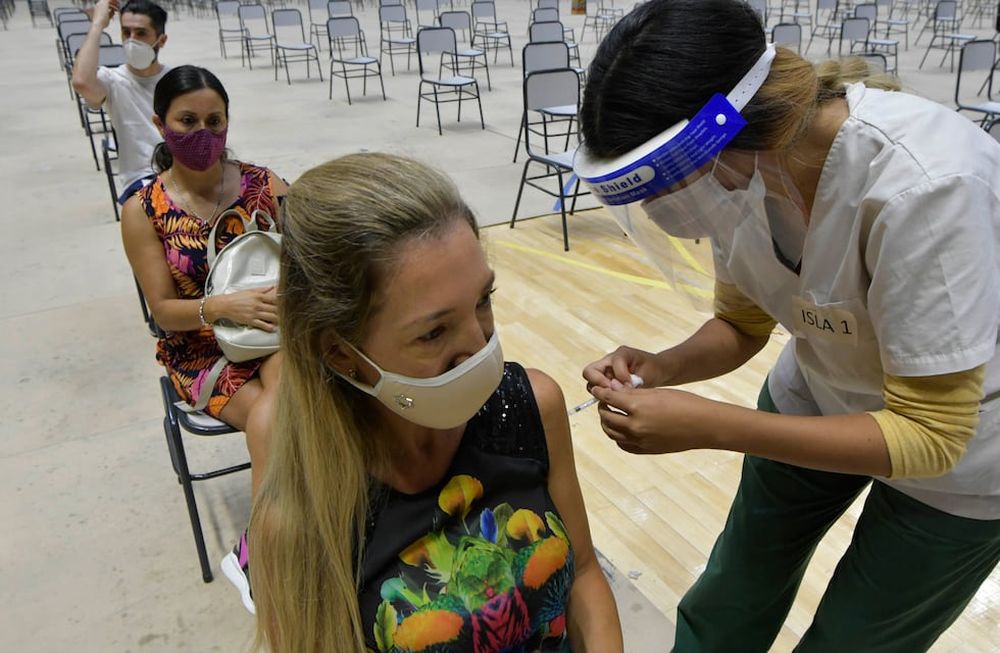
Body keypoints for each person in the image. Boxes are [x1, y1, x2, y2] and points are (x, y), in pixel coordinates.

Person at [573, 0, 1000, 651]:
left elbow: (930, 434)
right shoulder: (741, 169)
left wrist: (709, 424)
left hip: (962, 450)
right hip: (823, 386)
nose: (667, 213)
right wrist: (666, 365)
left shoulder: (926, 188)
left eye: (669, 191)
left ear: (724, 135)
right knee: (732, 589)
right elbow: (742, 322)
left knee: (855, 637)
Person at [248, 153, 623, 652]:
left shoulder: (532, 407)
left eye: (483, 301)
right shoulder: (300, 516)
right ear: (342, 352)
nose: (481, 346)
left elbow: (584, 574)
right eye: (434, 332)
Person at [120, 65, 285, 608]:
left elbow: (320, 234)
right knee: (275, 416)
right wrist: (221, 306)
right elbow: (165, 311)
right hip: (198, 347)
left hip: (269, 330)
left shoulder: (262, 183)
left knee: (299, 393)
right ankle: (264, 549)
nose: (202, 133)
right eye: (186, 120)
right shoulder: (145, 209)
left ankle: (291, 534)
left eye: (214, 120)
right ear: (160, 124)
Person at [72, 0, 170, 205]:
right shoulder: (112, 80)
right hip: (143, 178)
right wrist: (98, 23)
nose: (132, 40)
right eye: (126, 32)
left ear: (161, 41)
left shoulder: (175, 79)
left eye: (141, 33)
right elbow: (81, 82)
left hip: (183, 172)